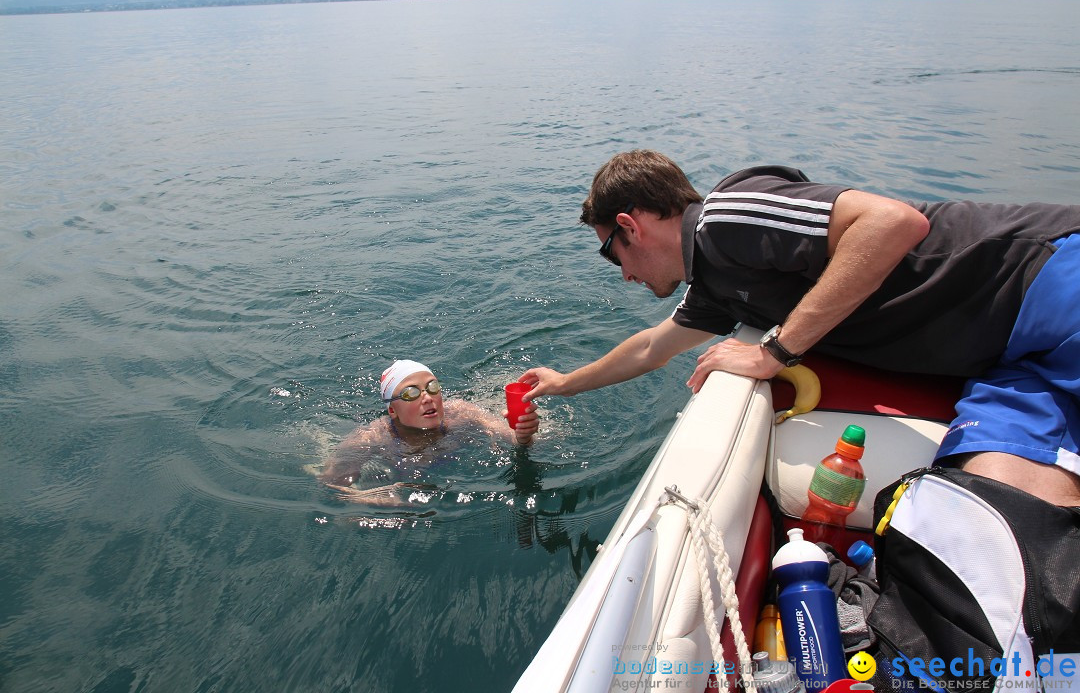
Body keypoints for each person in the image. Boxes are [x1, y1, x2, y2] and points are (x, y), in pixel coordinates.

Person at [518, 149, 1080, 507]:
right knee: (1010, 513)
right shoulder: (714, 283)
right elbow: (650, 348)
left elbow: (892, 222)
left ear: (628, 227)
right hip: (1010, 359)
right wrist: (564, 382)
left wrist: (775, 351)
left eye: (611, 257)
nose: (625, 277)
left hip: (1047, 283)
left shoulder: (727, 216)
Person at [320, 359, 539, 504]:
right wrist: (376, 498)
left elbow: (518, 440)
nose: (427, 397)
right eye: (410, 393)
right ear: (392, 410)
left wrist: (523, 436)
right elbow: (330, 485)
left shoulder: (464, 414)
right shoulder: (371, 437)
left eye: (432, 387)